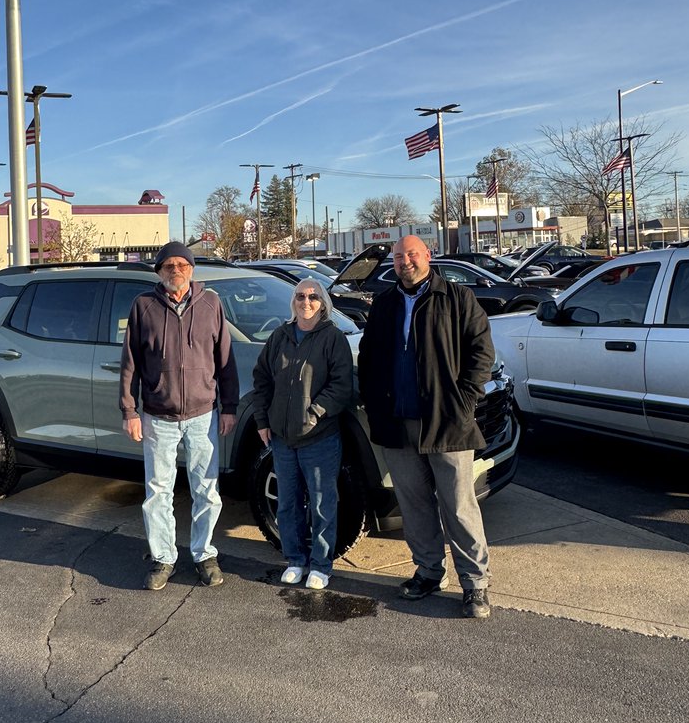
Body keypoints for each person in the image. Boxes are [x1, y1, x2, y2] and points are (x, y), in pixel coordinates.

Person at [357, 235, 495, 618]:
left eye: (411, 254)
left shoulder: (455, 298)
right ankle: (429, 571)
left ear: (427, 256)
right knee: (414, 505)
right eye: (399, 257)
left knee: (458, 505)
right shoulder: (384, 304)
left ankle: (475, 583)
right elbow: (368, 357)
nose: (405, 262)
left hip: (447, 422)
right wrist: (372, 400)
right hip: (397, 423)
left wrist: (465, 400)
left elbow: (481, 349)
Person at [120, 242, 239, 591]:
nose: (176, 270)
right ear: (159, 271)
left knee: (207, 489)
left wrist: (228, 407)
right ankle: (163, 557)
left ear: (192, 269)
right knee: (158, 491)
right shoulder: (143, 306)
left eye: (182, 265)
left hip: (203, 414)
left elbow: (226, 360)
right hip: (158, 414)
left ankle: (204, 554)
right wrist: (130, 410)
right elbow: (130, 364)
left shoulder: (211, 303)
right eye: (169, 265)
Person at [252, 277, 354, 590]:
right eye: (300, 296)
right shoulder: (280, 336)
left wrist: (314, 414)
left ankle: (321, 565)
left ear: (323, 303)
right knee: (288, 503)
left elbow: (341, 386)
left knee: (323, 504)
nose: (305, 302)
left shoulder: (333, 338)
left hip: (319, 438)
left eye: (313, 297)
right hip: (282, 439)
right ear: (293, 301)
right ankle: (295, 559)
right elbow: (262, 379)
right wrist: (262, 420)